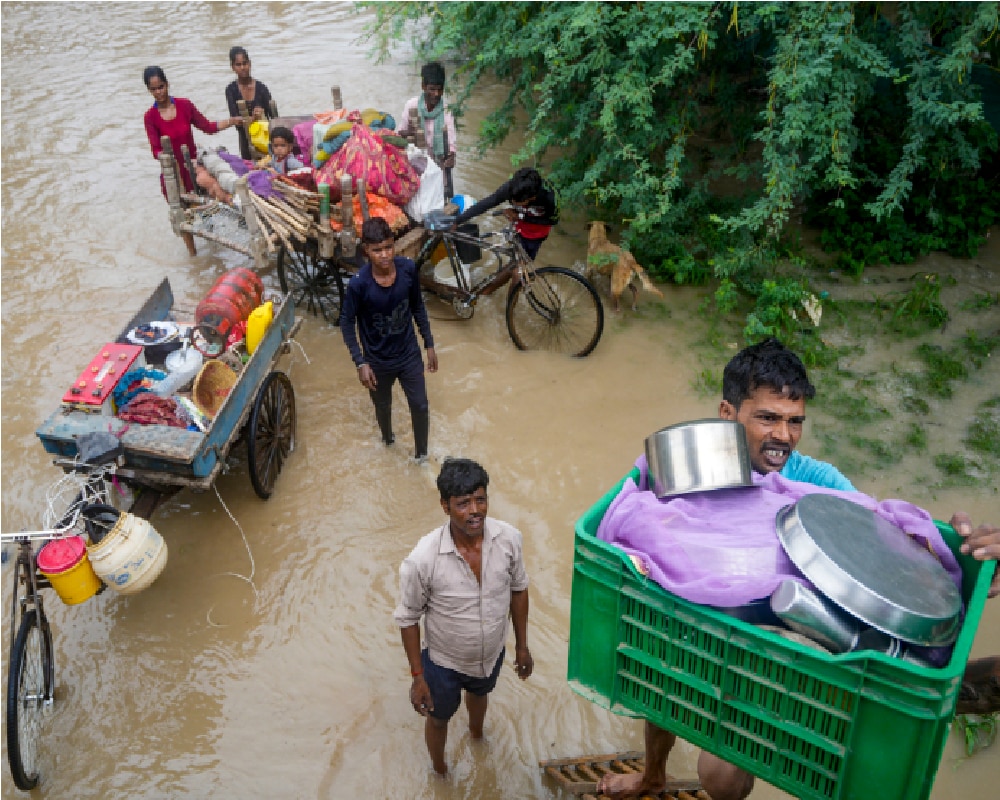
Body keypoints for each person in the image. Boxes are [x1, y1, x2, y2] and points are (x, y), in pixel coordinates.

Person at [597, 337, 1000, 799]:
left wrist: (942, 552)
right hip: (705, 628)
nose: (783, 436)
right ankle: (653, 777)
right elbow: (645, 527)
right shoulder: (693, 465)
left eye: (795, 422)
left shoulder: (819, 485)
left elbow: (877, 544)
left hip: (777, 647)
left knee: (722, 779)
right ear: (728, 415)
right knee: (662, 685)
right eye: (767, 418)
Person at [394, 457, 533, 775]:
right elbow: (408, 618)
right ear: (445, 506)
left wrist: (522, 645)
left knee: (481, 693)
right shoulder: (423, 559)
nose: (475, 511)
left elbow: (519, 589)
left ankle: (476, 735)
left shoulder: (509, 539)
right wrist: (418, 678)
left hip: (491, 652)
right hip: (443, 663)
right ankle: (440, 770)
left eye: (480, 499)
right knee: (439, 718)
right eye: (463, 503)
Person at [340, 217, 438, 461]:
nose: (384, 255)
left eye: (388, 247)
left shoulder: (407, 269)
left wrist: (429, 344)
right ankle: (388, 441)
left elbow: (417, 307)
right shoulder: (359, 285)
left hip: (408, 354)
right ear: (367, 251)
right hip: (377, 361)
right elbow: (346, 322)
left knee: (420, 406)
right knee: (383, 407)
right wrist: (360, 362)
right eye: (377, 250)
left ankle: (422, 457)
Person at [143, 66, 241, 196]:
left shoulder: (184, 105)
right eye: (154, 89)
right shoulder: (150, 117)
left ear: (167, 84)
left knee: (217, 187)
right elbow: (156, 151)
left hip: (193, 163)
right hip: (174, 171)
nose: (158, 92)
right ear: (149, 90)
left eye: (161, 87)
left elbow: (208, 127)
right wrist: (166, 157)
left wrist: (231, 121)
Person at [451, 167, 559, 261]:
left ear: (532, 198)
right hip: (519, 226)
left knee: (522, 268)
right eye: (512, 200)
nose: (513, 202)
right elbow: (486, 203)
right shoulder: (512, 189)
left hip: (536, 233)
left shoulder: (549, 198)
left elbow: (553, 220)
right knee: (514, 261)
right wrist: (458, 220)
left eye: (517, 201)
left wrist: (521, 216)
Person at [399, 62, 457, 198]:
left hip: (437, 166)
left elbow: (451, 141)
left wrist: (452, 156)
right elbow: (400, 135)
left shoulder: (446, 110)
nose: (436, 94)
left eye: (439, 90)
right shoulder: (412, 105)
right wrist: (410, 133)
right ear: (423, 87)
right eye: (432, 89)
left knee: (436, 197)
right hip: (415, 165)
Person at [225, 46, 275, 161]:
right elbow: (236, 120)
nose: (243, 67)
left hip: (264, 140)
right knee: (250, 168)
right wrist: (252, 118)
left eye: (245, 63)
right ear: (233, 67)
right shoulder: (231, 90)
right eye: (238, 65)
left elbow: (273, 118)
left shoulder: (262, 88)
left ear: (250, 64)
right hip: (245, 141)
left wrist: (262, 114)